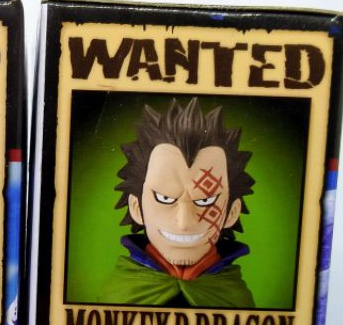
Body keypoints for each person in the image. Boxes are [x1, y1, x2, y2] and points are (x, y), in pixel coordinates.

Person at [104, 98, 255, 307]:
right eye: (164, 198)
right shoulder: (122, 294)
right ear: (136, 207)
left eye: (205, 200)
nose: (184, 223)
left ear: (232, 212)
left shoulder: (234, 298)